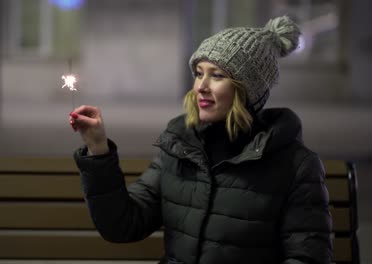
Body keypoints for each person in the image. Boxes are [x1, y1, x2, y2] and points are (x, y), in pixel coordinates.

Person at [69, 16, 332, 264]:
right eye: (198, 73)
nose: (201, 86)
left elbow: (307, 256)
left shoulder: (296, 165)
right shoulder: (180, 146)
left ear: (247, 89)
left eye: (217, 75)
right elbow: (122, 225)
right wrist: (97, 148)